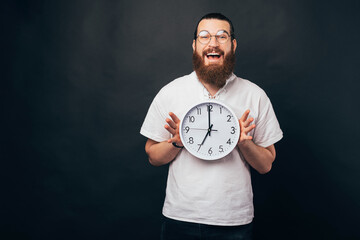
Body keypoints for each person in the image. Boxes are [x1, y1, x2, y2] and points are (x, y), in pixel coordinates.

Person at [140, 13, 283, 240]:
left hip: (234, 222)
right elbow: (153, 157)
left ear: (233, 45)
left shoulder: (255, 95)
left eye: (222, 36)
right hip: (180, 218)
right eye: (205, 36)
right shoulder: (171, 92)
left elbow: (266, 165)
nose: (213, 43)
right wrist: (178, 141)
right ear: (195, 45)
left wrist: (244, 142)